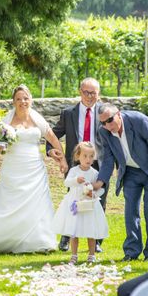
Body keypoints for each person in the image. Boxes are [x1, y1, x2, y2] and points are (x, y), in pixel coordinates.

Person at [0, 84, 67, 254]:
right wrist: (1, 146)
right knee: (7, 202)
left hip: (34, 168)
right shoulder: (6, 121)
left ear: (30, 99)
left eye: (25, 98)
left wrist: (62, 160)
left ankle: (39, 241)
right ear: (13, 102)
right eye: (18, 99)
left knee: (37, 203)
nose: (22, 102)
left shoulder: (38, 119)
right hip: (13, 167)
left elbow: (53, 139)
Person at [94, 103, 148, 261]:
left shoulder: (139, 120)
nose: (107, 125)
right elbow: (108, 160)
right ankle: (131, 252)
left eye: (109, 120)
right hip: (130, 172)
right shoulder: (104, 132)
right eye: (102, 123)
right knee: (130, 212)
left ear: (118, 114)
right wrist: (100, 181)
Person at [47, 78, 107, 252]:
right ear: (80, 92)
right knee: (73, 200)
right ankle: (67, 238)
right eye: (86, 92)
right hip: (76, 164)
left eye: (93, 93)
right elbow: (53, 134)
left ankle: (96, 242)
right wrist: (51, 150)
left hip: (99, 163)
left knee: (98, 201)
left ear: (99, 94)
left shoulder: (104, 113)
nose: (89, 96)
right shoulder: (68, 113)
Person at [52, 142, 109, 264]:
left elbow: (101, 189)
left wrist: (93, 193)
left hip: (89, 205)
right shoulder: (74, 170)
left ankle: (91, 254)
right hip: (75, 203)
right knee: (74, 230)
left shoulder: (94, 173)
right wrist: (76, 180)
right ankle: (74, 255)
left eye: (91, 156)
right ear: (78, 156)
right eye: (85, 156)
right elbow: (66, 183)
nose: (88, 159)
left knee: (91, 230)